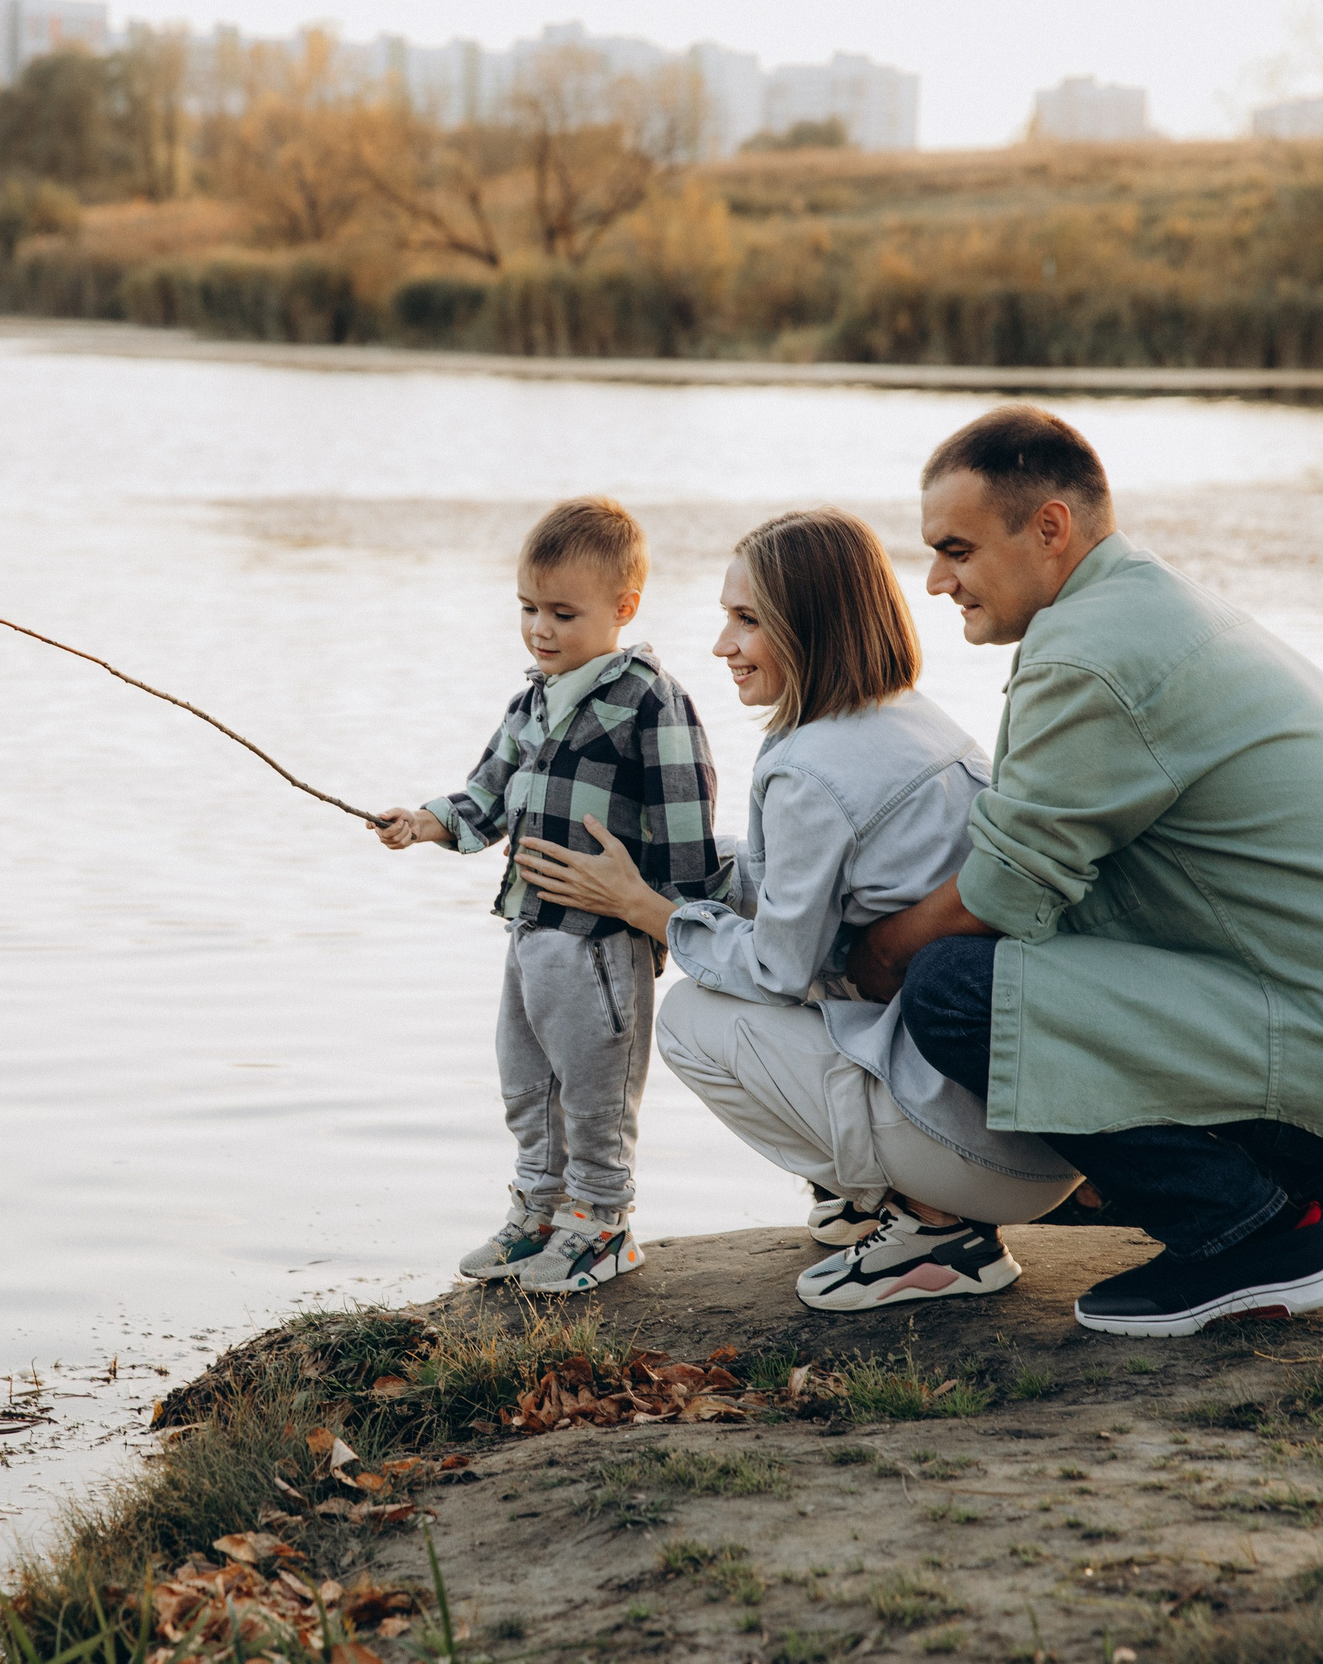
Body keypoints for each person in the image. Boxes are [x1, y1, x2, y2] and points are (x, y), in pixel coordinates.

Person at [848, 405, 1323, 1337]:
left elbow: (1003, 898)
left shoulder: (1085, 653)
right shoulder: (1150, 602)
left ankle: (1254, 1239)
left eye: (956, 550)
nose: (935, 580)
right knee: (1061, 949)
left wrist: (877, 953)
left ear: (1049, 527)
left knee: (953, 990)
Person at [514, 509, 1081, 1313]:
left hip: (988, 1153)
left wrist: (644, 907)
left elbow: (778, 967)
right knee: (814, 966)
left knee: (692, 1018)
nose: (723, 644)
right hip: (1041, 1133)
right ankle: (884, 1200)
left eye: (747, 620)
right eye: (726, 616)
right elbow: (794, 884)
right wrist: (676, 864)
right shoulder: (908, 717)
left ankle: (936, 1227)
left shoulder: (810, 766)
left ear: (811, 626)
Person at [370, 497, 724, 1294]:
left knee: (596, 1090)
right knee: (526, 1079)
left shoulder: (650, 700)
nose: (541, 628)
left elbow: (686, 823)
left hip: (603, 940)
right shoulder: (532, 699)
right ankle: (538, 1210)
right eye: (528, 608)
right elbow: (485, 796)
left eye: (564, 613)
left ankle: (601, 1224)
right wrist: (423, 822)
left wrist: (677, 921)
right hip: (529, 929)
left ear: (623, 607)